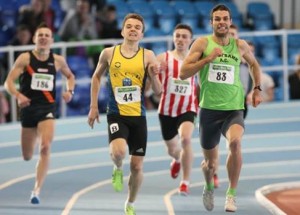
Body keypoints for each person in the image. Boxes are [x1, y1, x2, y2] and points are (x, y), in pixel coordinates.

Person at [180, 4, 262, 212]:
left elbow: (254, 64)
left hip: (234, 108)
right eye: (217, 19)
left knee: (235, 143)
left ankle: (231, 195)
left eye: (225, 18)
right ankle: (208, 186)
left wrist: (257, 89)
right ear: (212, 23)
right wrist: (208, 59)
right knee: (210, 164)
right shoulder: (202, 43)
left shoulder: (240, 45)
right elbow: (183, 72)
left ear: (230, 21)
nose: (222, 22)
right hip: (209, 110)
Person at [87, 13, 161, 215]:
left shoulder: (148, 56)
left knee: (137, 167)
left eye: (137, 27)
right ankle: (117, 168)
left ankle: (130, 202)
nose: (133, 29)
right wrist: (94, 106)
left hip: (138, 116)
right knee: (119, 152)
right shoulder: (109, 53)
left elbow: (158, 91)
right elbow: (95, 77)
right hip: (116, 114)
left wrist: (154, 77)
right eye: (129, 26)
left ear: (142, 33)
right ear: (122, 31)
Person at [4, 23, 76, 204]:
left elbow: (70, 76)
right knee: (27, 156)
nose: (43, 37)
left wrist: (70, 91)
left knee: (45, 147)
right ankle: (35, 135)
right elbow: (8, 83)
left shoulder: (58, 60)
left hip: (47, 109)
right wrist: (18, 95)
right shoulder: (24, 59)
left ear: (51, 40)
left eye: (47, 35)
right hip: (28, 110)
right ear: (34, 39)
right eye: (40, 35)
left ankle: (36, 190)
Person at [156, 24, 198, 195]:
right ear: (173, 38)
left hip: (188, 107)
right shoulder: (162, 58)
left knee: (186, 139)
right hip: (166, 110)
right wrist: (154, 73)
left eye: (184, 36)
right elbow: (153, 89)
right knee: (173, 150)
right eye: (178, 36)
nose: (180, 39)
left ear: (190, 40)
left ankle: (185, 182)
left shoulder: (196, 59)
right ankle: (176, 160)